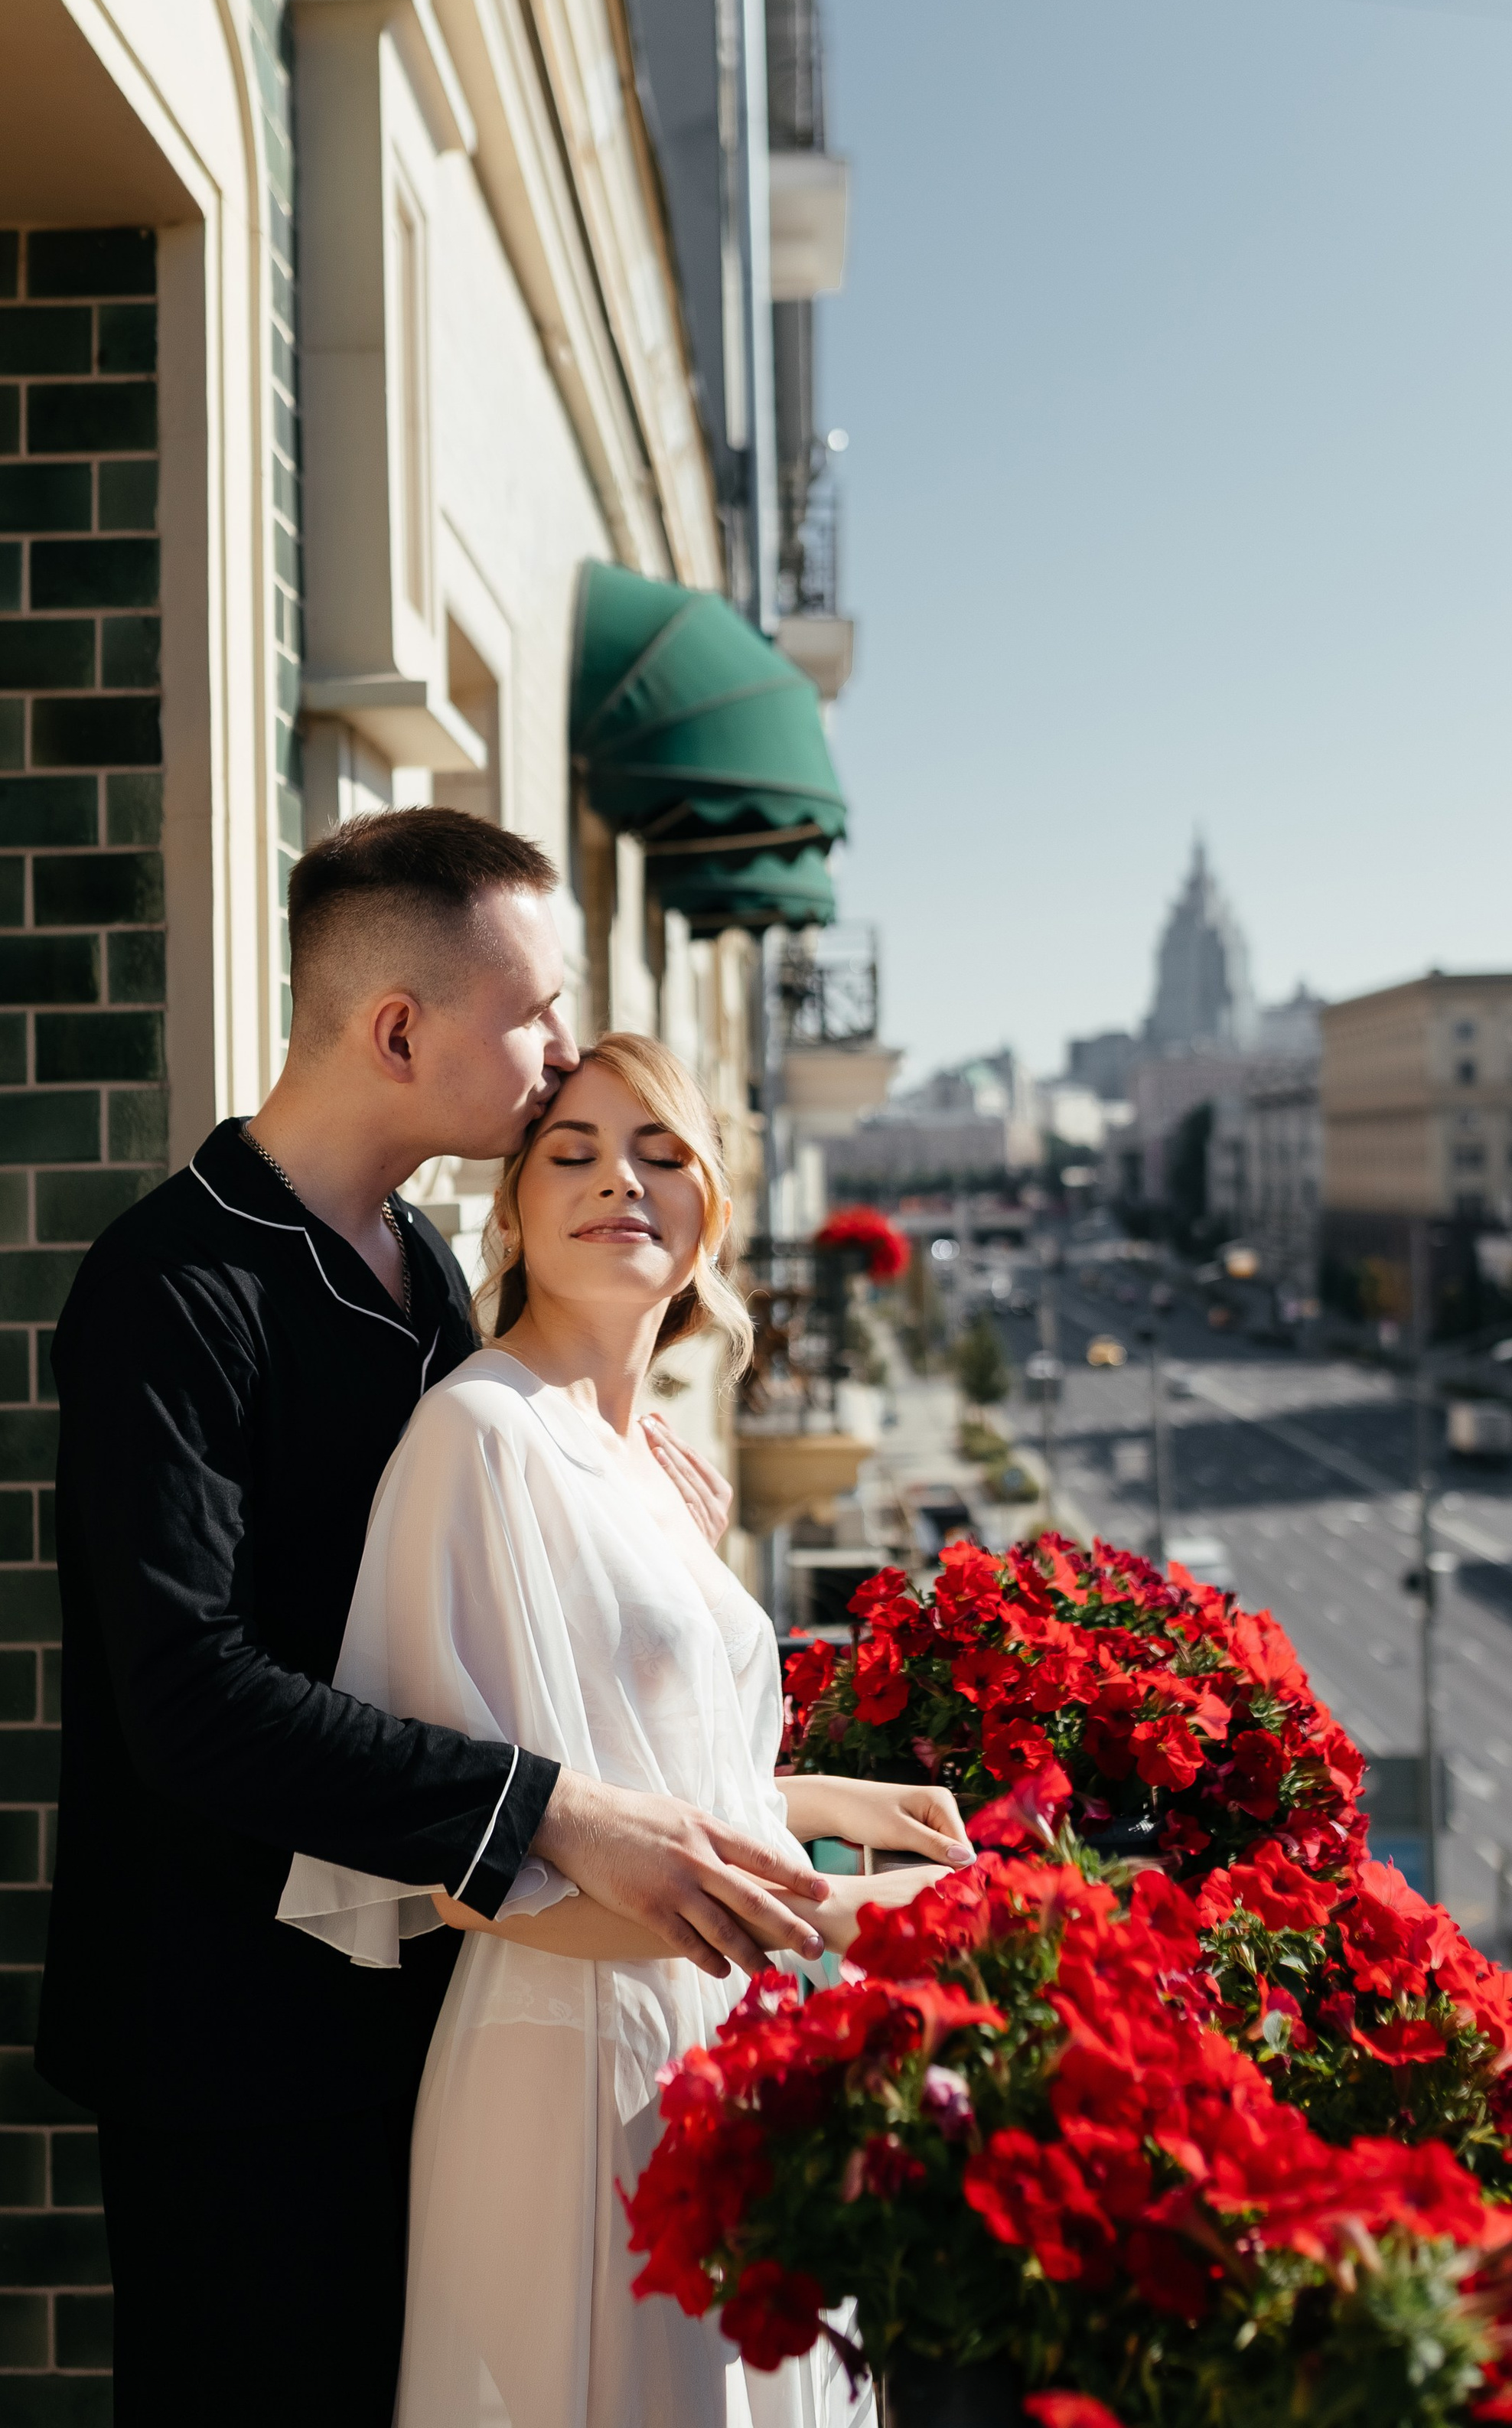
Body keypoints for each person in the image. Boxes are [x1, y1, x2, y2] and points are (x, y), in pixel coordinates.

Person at [36, 810, 839, 2425]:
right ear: (398, 1030)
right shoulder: (168, 1290)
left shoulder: (414, 1261)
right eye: (531, 1012)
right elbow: (186, 1695)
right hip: (234, 2056)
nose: (555, 1058)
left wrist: (610, 1455)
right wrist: (548, 1811)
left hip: (443, 2005)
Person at [279, 1031, 975, 2426]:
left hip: (727, 2035)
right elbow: (473, 1878)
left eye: (662, 1155)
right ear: (517, 1207)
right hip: (567, 2069)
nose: (621, 1184)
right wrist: (839, 1920)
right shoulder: (478, 1438)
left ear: (710, 1208)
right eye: (575, 1152)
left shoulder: (658, 1462)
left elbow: (632, 1762)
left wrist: (821, 1799)